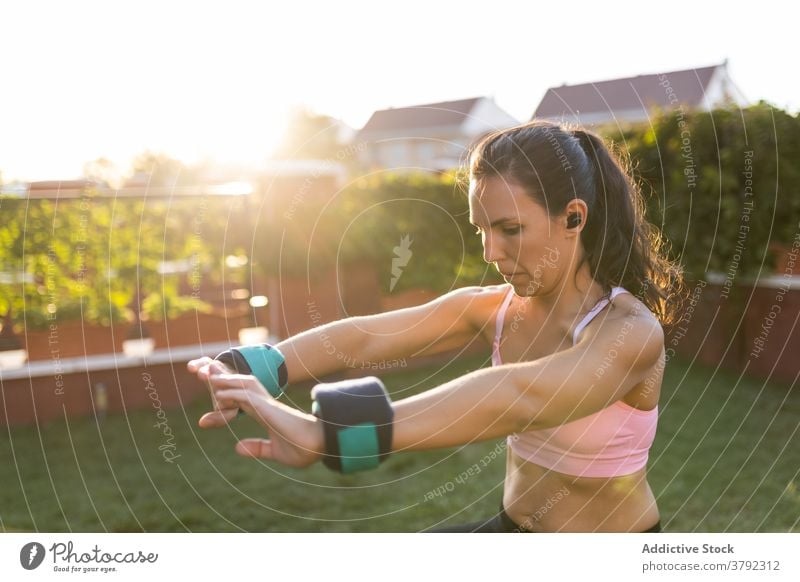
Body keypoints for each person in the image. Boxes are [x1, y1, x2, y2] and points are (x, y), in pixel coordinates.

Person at [187, 120, 685, 533]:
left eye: (510, 229)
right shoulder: (494, 309)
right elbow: (364, 336)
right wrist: (247, 367)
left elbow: (518, 396)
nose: (491, 253)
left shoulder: (629, 332)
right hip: (512, 531)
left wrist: (329, 434)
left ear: (573, 218)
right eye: (482, 230)